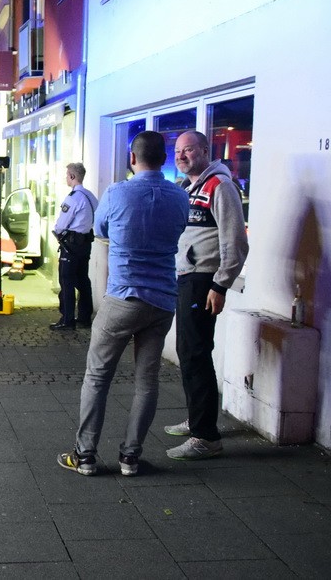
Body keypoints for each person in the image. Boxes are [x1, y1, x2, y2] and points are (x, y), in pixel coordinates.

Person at [57, 131, 189, 477]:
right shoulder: (179, 196)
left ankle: (85, 456)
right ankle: (130, 456)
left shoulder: (117, 193)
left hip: (124, 296)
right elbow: (178, 231)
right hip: (162, 300)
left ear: (133, 158)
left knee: (97, 377)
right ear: (165, 159)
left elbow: (100, 229)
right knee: (147, 381)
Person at [165, 130, 249, 460]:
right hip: (188, 278)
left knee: (196, 352)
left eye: (188, 150)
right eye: (178, 151)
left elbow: (236, 242)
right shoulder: (191, 188)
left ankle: (206, 437)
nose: (182, 156)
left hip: (203, 281)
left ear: (204, 150)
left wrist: (220, 284)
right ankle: (198, 419)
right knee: (189, 351)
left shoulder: (220, 186)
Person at [51, 163, 99, 331]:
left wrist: (57, 232)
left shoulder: (73, 198)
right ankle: (85, 317)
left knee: (67, 281)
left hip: (71, 244)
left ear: (72, 176)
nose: (66, 178)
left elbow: (62, 223)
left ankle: (67, 319)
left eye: (67, 175)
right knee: (83, 280)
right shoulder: (91, 196)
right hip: (85, 243)